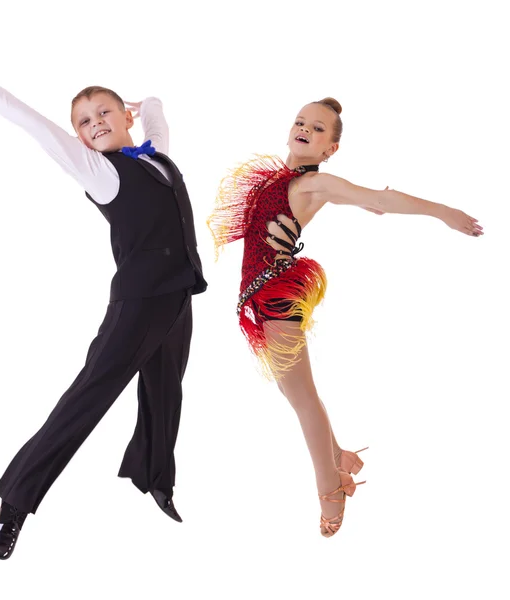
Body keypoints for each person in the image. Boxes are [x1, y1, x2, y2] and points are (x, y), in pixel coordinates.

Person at [0, 76, 207, 559]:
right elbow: (37, 128)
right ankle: (15, 502)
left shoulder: (156, 155)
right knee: (86, 399)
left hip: (179, 296)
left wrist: (153, 103)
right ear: (78, 137)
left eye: (105, 112)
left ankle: (155, 479)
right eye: (84, 121)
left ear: (125, 118)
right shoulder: (99, 171)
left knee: (166, 392)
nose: (95, 123)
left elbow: (158, 125)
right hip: (138, 305)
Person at [207, 97, 483, 537]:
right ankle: (336, 456)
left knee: (301, 398)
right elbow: (363, 200)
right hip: (261, 294)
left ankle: (331, 490)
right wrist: (360, 201)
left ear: (330, 148)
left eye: (318, 129)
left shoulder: (316, 183)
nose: (305, 129)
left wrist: (443, 212)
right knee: (290, 389)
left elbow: (381, 198)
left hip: (278, 296)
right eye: (300, 121)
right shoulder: (284, 178)